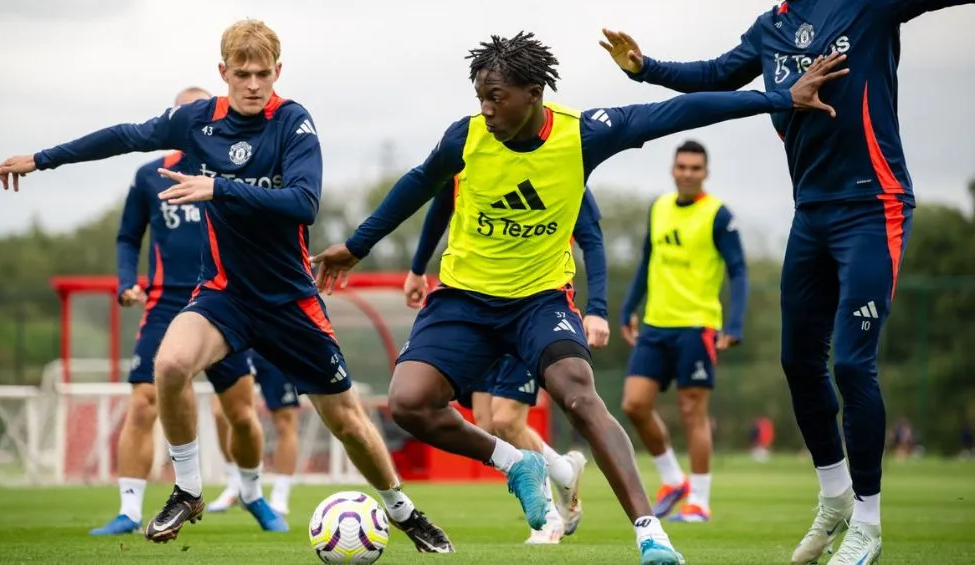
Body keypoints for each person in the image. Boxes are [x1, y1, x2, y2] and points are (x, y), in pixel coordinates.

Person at [311, 30, 847, 565]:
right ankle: (514, 462)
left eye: (496, 98)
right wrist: (356, 247)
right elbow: (420, 184)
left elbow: (682, 112)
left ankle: (651, 536)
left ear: (534, 92)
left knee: (579, 394)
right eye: (480, 97)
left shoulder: (584, 134)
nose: (487, 110)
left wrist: (780, 97)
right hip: (463, 299)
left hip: (539, 301)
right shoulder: (466, 137)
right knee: (408, 403)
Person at [0, 19, 453, 552]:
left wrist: (219, 187)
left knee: (347, 420)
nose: (254, 84)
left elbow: (303, 203)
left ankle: (402, 510)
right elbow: (124, 136)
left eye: (263, 74)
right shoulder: (197, 121)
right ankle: (187, 489)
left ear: (278, 72)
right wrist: (42, 160)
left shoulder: (293, 123)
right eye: (242, 74)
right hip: (225, 294)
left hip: (289, 300)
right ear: (223, 73)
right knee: (170, 365)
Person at [600, 1, 973, 562]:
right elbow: (714, 75)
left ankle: (867, 526)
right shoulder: (770, 27)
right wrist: (644, 66)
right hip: (812, 213)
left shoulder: (867, 7)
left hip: (874, 207)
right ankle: (835, 499)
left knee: (850, 363)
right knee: (799, 362)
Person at [89, 86, 288, 536]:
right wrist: (126, 282)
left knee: (239, 411)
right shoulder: (149, 177)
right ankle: (129, 509)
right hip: (165, 303)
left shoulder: (232, 172)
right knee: (142, 403)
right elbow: (127, 238)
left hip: (223, 301)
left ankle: (252, 494)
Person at [404, 185, 610, 543]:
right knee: (486, 422)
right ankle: (562, 469)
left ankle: (547, 519)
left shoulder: (563, 162)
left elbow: (591, 239)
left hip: (529, 310)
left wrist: (598, 310)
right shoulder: (471, 157)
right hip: (476, 310)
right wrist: (418, 267)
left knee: (506, 419)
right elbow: (439, 209)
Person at [619, 140, 748, 524]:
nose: (688, 173)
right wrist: (628, 308)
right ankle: (673, 481)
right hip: (656, 324)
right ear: (673, 169)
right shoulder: (658, 208)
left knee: (693, 412)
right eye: (682, 166)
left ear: (705, 172)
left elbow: (739, 269)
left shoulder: (718, 215)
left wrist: (734, 324)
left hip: (697, 326)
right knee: (633, 405)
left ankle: (699, 503)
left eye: (696, 168)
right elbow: (647, 260)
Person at [206, 351, 301, 516]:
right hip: (240, 343)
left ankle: (280, 495)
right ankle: (235, 485)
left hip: (274, 345)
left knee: (284, 420)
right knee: (221, 413)